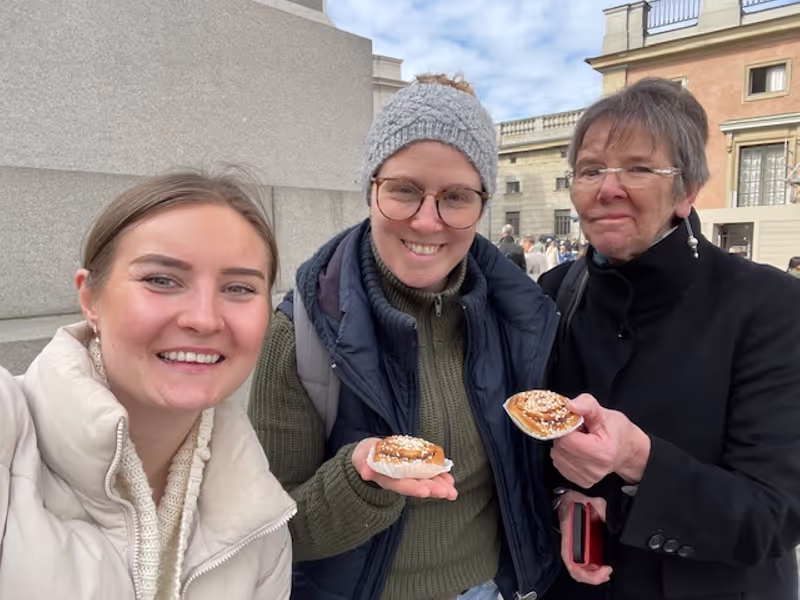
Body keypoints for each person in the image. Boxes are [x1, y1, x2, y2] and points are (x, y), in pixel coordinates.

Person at [248, 74, 560, 600]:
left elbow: (524, 481)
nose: (426, 220)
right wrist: (357, 479)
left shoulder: (521, 319)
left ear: (482, 205)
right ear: (370, 187)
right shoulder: (300, 331)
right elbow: (272, 530)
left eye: (455, 198)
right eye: (404, 191)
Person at [539, 77, 800, 599]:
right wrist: (564, 500)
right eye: (590, 170)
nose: (608, 187)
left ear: (686, 192)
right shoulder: (555, 293)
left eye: (637, 168)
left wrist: (639, 459)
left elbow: (775, 514)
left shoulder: (770, 306)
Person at [0, 170, 295, 599]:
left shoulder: (261, 527)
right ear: (90, 299)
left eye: (238, 288)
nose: (204, 318)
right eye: (161, 280)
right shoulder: (8, 433)